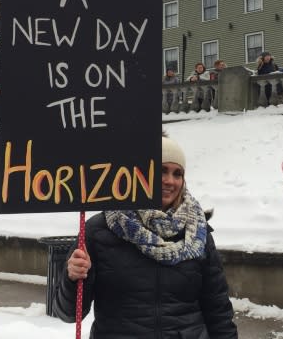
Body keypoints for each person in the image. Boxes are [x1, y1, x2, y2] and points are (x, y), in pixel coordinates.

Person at [54, 134, 238, 338]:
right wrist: (73, 279)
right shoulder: (100, 230)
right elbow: (69, 313)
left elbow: (218, 309)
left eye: (178, 174)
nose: (170, 181)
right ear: (141, 173)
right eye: (162, 170)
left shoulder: (196, 233)